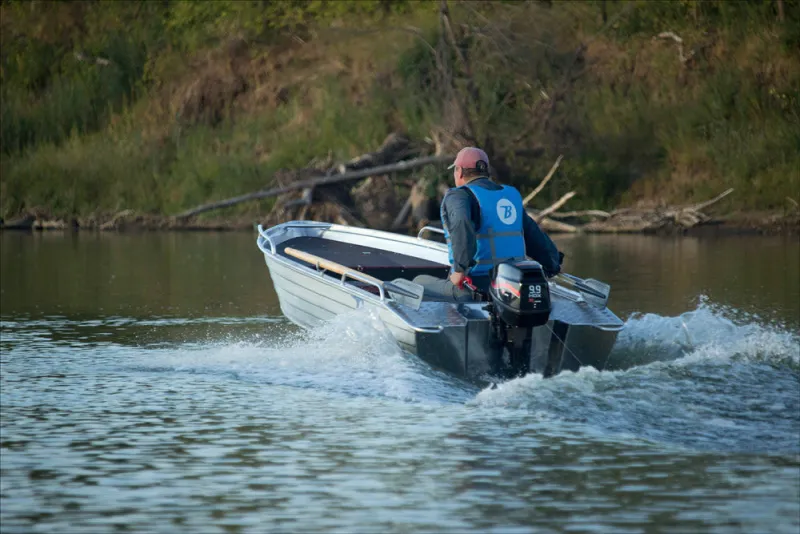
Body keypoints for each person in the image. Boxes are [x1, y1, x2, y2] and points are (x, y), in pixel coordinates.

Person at [414, 147, 562, 302]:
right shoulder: (510, 196)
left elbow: (461, 225)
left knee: (417, 282)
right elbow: (533, 236)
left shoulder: (459, 196)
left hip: (477, 288)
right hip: (514, 286)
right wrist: (552, 264)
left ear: (460, 172)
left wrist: (460, 270)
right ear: (486, 172)